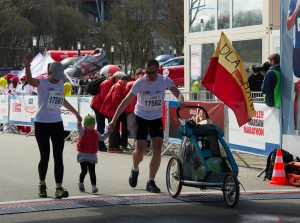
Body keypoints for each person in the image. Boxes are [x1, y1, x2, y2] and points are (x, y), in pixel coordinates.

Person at [108, 59, 185, 193]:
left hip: (155, 118)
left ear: (158, 70)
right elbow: (126, 101)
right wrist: (114, 120)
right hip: (141, 117)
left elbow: (177, 92)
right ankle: (135, 168)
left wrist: (181, 100)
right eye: (147, 72)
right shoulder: (140, 82)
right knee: (140, 150)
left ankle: (151, 181)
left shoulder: (163, 80)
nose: (149, 75)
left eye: (152, 73)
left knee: (157, 148)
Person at [24, 50, 82, 199]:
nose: (56, 80)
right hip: (42, 123)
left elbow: (61, 100)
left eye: (58, 78)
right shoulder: (42, 82)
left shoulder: (61, 83)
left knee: (58, 156)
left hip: (57, 123)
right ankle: (42, 184)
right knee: (45, 156)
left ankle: (59, 187)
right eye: (54, 78)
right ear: (49, 73)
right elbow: (30, 81)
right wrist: (27, 65)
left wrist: (76, 112)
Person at [90, 70, 122, 152]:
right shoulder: (108, 83)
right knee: (101, 125)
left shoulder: (112, 82)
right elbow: (103, 97)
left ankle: (101, 144)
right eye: (121, 79)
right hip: (98, 106)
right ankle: (100, 145)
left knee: (103, 125)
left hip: (101, 106)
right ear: (117, 77)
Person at [77, 114, 109, 193]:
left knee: (92, 171)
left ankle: (93, 186)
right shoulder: (83, 132)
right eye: (90, 125)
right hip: (83, 155)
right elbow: (79, 129)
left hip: (92, 156)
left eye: (93, 125)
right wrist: (79, 123)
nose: (92, 126)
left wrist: (108, 132)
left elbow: (102, 138)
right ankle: (81, 183)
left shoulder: (95, 133)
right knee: (84, 171)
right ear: (86, 125)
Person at [100, 72, 129, 153]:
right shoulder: (119, 86)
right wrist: (120, 109)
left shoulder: (117, 85)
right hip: (112, 110)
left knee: (114, 128)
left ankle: (115, 146)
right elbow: (115, 99)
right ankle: (112, 146)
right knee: (113, 128)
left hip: (112, 109)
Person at [287, 0, 300, 134]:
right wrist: (296, 9)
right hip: (297, 50)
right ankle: (296, 130)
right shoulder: (293, 1)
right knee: (298, 92)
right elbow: (288, 25)